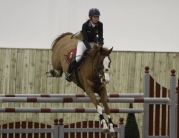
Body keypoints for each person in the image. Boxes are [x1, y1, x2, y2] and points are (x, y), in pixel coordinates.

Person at [65, 8, 104, 82]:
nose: (96, 18)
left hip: (93, 42)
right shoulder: (85, 25)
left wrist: (101, 47)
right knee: (78, 58)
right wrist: (90, 49)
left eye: (97, 17)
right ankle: (69, 71)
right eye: (94, 17)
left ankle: (98, 74)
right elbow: (85, 40)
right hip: (83, 42)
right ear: (90, 17)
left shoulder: (100, 25)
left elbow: (101, 37)